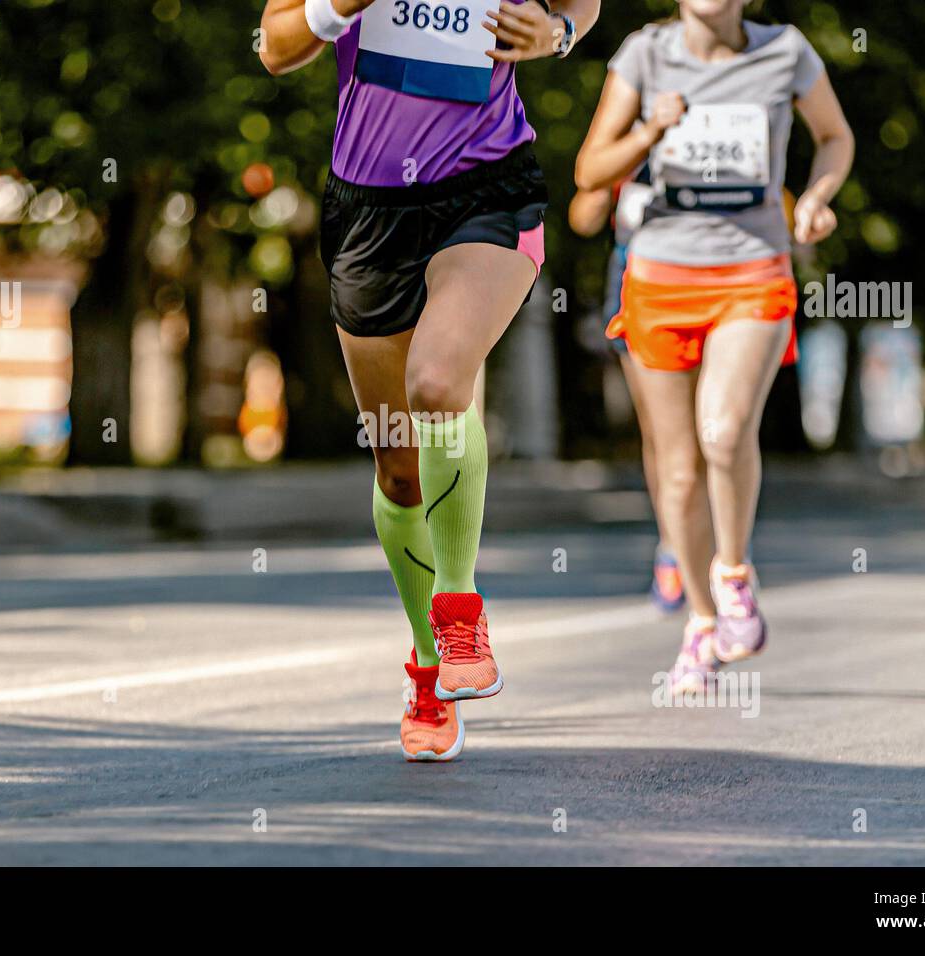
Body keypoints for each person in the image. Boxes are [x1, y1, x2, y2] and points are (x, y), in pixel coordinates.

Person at [260, 0, 601, 759]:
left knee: (441, 381)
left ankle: (459, 604)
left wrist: (559, 33)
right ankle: (425, 665)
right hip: (368, 214)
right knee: (399, 466)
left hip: (487, 191)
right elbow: (275, 45)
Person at [575, 0, 853, 693]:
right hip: (659, 278)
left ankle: (733, 577)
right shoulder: (644, 54)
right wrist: (649, 129)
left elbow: (835, 136)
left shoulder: (785, 52)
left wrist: (817, 197)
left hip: (753, 271)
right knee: (675, 471)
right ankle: (700, 623)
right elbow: (588, 172)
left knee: (723, 434)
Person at [569, 167, 686, 614]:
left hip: (711, 270)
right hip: (636, 270)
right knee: (660, 429)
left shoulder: (719, 105)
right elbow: (583, 216)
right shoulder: (630, 117)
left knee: (711, 424)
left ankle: (723, 544)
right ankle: (672, 544)